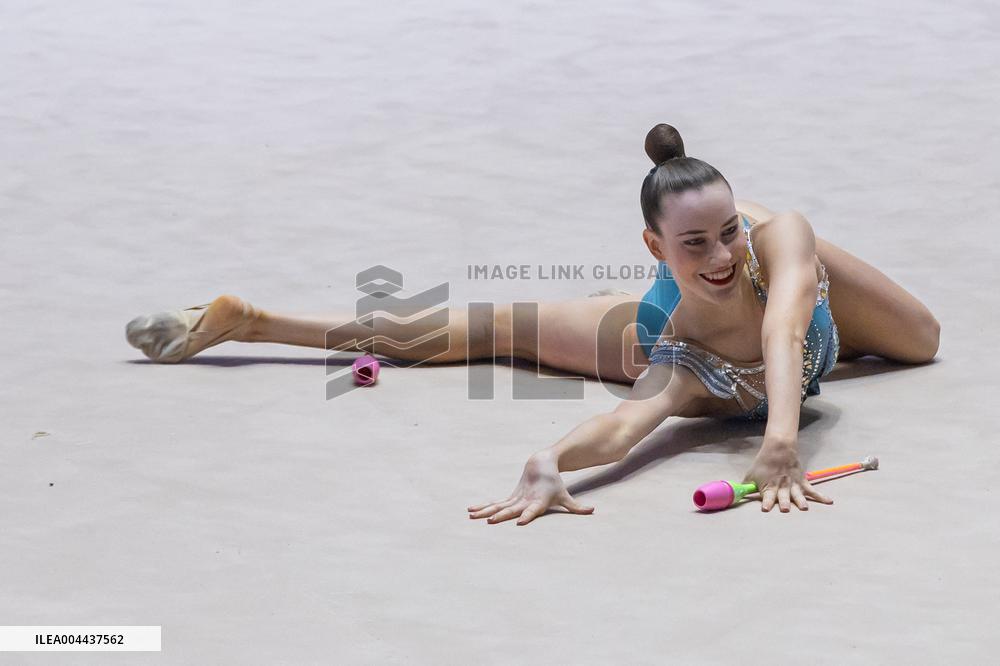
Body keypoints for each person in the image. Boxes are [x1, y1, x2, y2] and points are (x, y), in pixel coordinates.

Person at [125, 123, 940, 523]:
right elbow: (625, 426)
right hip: (672, 328)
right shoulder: (676, 361)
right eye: (695, 244)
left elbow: (786, 336)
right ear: (654, 250)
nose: (720, 254)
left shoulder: (773, 245)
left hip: (802, 302)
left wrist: (780, 441)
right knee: (485, 330)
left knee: (919, 341)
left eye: (723, 232)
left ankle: (713, 202)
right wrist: (549, 459)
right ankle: (255, 321)